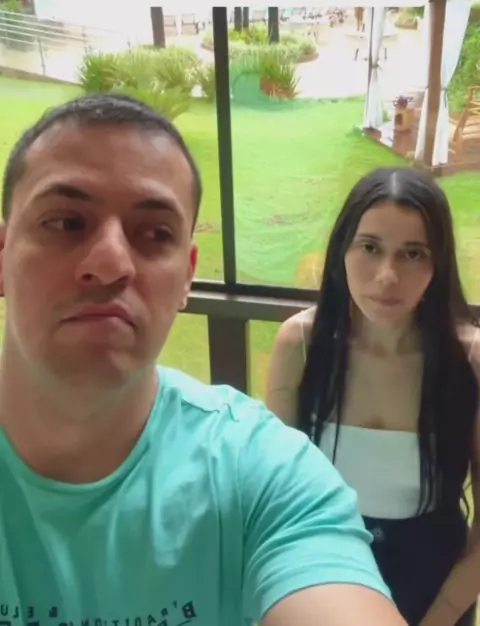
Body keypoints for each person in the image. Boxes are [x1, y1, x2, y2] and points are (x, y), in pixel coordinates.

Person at [0, 94, 406, 626]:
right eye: (66, 222)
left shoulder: (259, 476)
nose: (110, 263)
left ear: (188, 275)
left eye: (156, 234)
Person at [266, 166, 480, 626]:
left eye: (413, 254)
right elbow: (277, 504)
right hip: (324, 580)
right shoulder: (301, 346)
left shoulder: (470, 361)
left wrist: (437, 619)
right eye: (370, 247)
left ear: (438, 264)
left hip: (437, 590)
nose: (387, 275)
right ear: (342, 250)